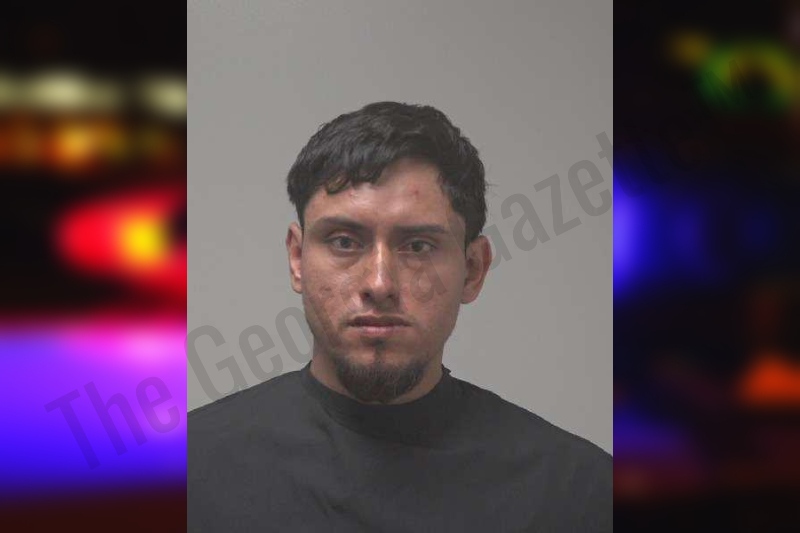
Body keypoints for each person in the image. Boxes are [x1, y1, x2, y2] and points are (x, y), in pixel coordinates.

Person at [188, 102, 612, 532]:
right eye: (344, 241)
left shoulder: (577, 495)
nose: (379, 283)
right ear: (297, 259)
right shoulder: (187, 475)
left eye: (418, 246)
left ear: (473, 270)